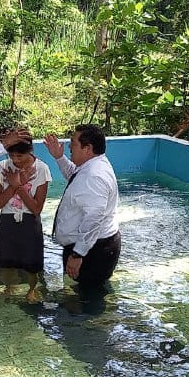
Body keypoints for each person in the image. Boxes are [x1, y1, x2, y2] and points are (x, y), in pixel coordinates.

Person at [44, 124, 121, 293]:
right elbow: (75, 176)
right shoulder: (90, 167)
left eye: (73, 143)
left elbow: (94, 218)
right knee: (84, 293)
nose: (69, 147)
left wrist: (78, 254)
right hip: (90, 247)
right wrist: (59, 157)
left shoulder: (95, 176)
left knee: (87, 298)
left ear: (87, 148)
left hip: (93, 251)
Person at [0, 137, 51, 303]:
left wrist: (19, 186)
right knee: (5, 264)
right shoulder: (2, 168)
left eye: (20, 156)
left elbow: (36, 209)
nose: (15, 160)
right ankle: (8, 288)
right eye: (11, 155)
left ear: (30, 151)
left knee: (32, 265)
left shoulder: (41, 169)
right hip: (7, 222)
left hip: (30, 223)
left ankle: (31, 290)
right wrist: (12, 186)